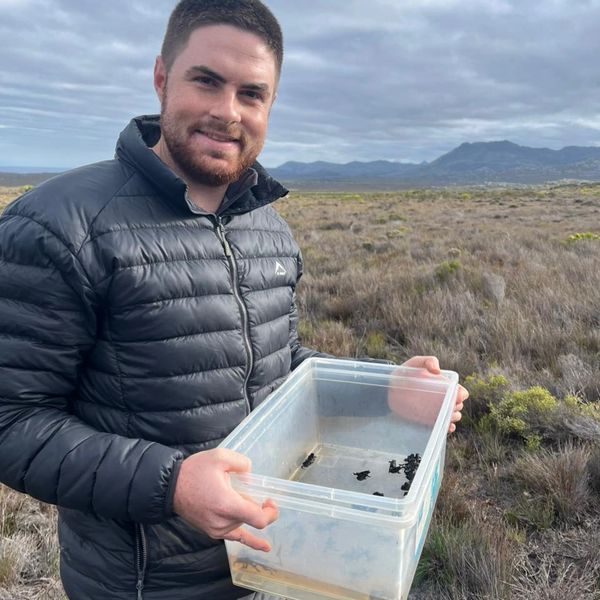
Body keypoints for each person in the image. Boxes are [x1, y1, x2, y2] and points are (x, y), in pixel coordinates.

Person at [0, 1, 468, 599]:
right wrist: (171, 484)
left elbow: (275, 368)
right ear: (162, 79)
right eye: (206, 81)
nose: (228, 112)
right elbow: (13, 420)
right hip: (150, 583)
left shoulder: (267, 228)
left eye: (252, 93)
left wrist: (385, 392)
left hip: (278, 557)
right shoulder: (60, 226)